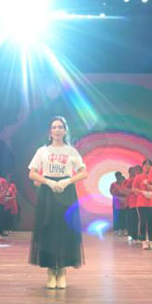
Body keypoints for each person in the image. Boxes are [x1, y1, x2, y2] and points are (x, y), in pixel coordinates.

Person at [28, 116, 88, 289]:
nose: (57, 130)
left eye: (60, 127)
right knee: (48, 230)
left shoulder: (71, 151)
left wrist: (67, 181)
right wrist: (48, 181)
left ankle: (61, 271)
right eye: (54, 127)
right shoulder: (42, 151)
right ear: (50, 131)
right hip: (47, 192)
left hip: (66, 192)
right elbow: (32, 173)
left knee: (64, 230)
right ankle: (50, 271)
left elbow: (83, 172)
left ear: (65, 130)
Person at [133, 160, 152, 249]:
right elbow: (134, 189)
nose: (147, 166)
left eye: (149, 165)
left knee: (151, 222)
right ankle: (143, 241)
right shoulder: (138, 177)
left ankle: (151, 240)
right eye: (145, 165)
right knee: (143, 221)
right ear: (142, 166)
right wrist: (143, 192)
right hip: (142, 202)